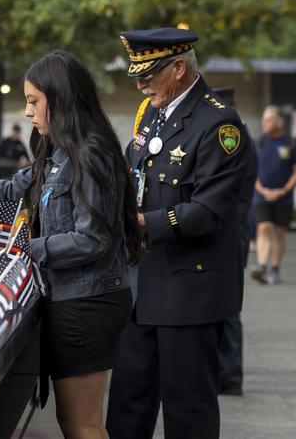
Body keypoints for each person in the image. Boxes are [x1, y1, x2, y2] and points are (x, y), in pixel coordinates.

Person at [0, 50, 143, 438]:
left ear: (60, 98)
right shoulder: (58, 150)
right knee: (73, 421)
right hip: (73, 297)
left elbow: (94, 240)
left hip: (87, 302)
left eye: (33, 100)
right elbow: (11, 191)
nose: (27, 111)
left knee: (83, 423)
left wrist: (22, 247)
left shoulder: (91, 154)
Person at [106, 28, 251, 439]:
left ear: (178, 68)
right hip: (143, 286)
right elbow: (136, 178)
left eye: (148, 74)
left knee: (188, 410)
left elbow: (210, 210)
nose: (140, 84)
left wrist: (141, 224)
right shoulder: (152, 113)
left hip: (190, 293)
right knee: (127, 404)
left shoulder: (219, 123)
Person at [213, 87, 258, 396]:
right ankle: (227, 373)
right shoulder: (242, 137)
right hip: (235, 231)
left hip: (230, 234)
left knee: (227, 310)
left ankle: (229, 375)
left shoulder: (231, 137)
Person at [250, 106, 296, 285]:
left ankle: (274, 268)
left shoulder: (290, 144)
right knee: (263, 227)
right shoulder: (260, 141)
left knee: (279, 232)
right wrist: (261, 190)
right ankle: (262, 266)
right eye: (263, 120)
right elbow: (252, 169)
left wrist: (284, 191)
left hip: (283, 197)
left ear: (279, 123)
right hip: (261, 195)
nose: (264, 124)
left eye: (268, 120)